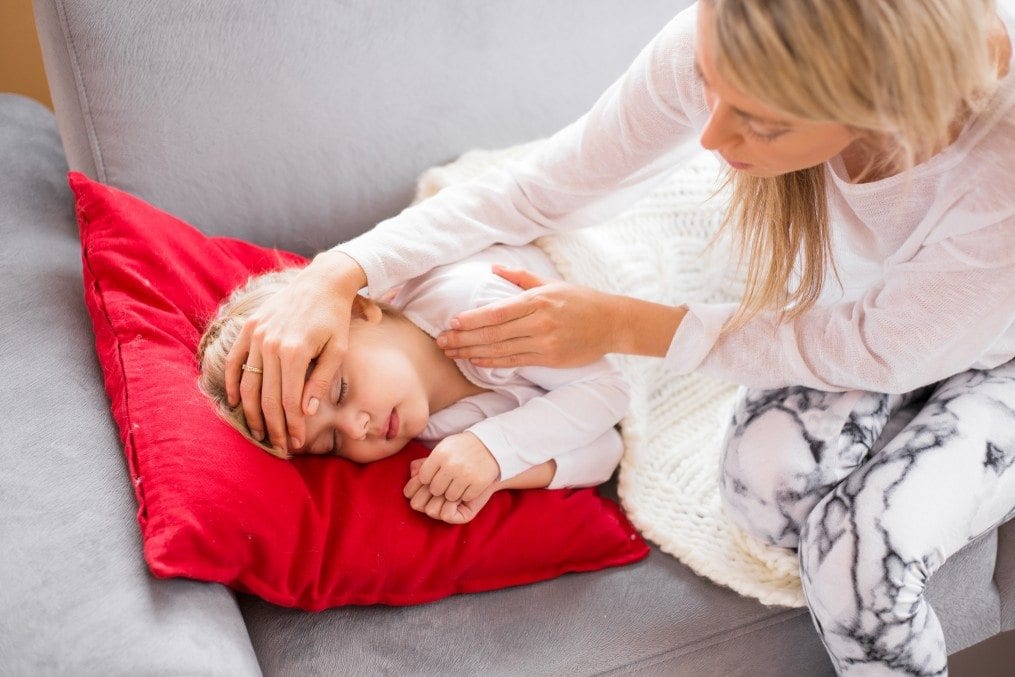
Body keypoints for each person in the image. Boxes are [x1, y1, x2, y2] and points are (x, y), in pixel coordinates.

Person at [223, 1, 1014, 673]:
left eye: (760, 124)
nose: (709, 141)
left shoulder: (995, 162)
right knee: (767, 494)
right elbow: (542, 189)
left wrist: (624, 330)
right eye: (709, 87)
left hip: (971, 343)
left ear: (883, 104)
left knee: (855, 559)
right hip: (888, 323)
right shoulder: (740, 31)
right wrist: (335, 273)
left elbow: (877, 350)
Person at [198, 244, 629, 525]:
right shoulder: (432, 428)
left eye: (339, 390)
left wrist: (495, 448)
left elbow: (613, 389)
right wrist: (493, 473)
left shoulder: (474, 306)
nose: (353, 429)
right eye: (330, 443)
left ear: (362, 311)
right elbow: (607, 448)